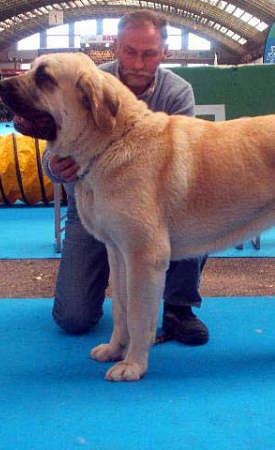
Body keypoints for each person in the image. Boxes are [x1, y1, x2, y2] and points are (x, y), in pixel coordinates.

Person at [42, 10, 209, 346]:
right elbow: (56, 143)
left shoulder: (178, 93)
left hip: (156, 208)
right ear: (116, 47)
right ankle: (114, 297)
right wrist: (53, 166)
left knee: (200, 209)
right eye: (130, 51)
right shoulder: (86, 83)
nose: (137, 62)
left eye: (148, 54)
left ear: (164, 53)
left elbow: (182, 163)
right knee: (73, 319)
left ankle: (179, 307)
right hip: (91, 208)